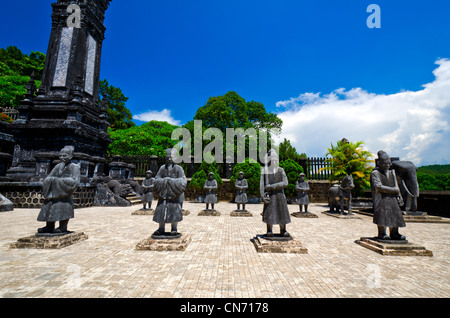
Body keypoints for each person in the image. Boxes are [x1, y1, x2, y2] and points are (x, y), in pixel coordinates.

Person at [37, 146, 80, 234]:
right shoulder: (58, 166)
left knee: (64, 208)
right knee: (49, 207)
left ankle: (63, 227)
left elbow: (75, 181)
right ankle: (49, 226)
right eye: (60, 156)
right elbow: (48, 178)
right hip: (53, 193)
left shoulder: (74, 167)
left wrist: (57, 181)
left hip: (64, 194)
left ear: (70, 156)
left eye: (64, 156)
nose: (62, 158)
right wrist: (50, 181)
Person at [370, 150, 406, 240]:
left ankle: (395, 233)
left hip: (393, 198)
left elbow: (396, 185)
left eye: (388, 163)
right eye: (384, 163)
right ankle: (382, 233)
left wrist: (399, 195)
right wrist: (393, 190)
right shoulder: (375, 173)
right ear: (379, 163)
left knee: (395, 215)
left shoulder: (391, 173)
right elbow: (378, 186)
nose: (387, 165)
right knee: (382, 216)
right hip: (382, 198)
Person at [152, 148, 187, 236]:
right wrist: (164, 181)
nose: (169, 159)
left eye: (171, 157)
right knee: (161, 210)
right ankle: (161, 228)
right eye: (168, 157)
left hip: (174, 195)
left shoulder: (179, 168)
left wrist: (170, 181)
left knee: (174, 211)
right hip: (163, 195)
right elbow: (156, 179)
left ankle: (174, 229)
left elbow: (183, 180)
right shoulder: (162, 168)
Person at [260, 149, 291, 237]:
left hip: (280, 195)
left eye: (276, 158)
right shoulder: (265, 170)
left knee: (282, 212)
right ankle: (269, 230)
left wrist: (272, 186)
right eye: (273, 159)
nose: (275, 161)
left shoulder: (281, 170)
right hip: (269, 196)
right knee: (269, 213)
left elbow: (285, 183)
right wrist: (262, 196)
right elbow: (262, 184)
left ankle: (283, 230)